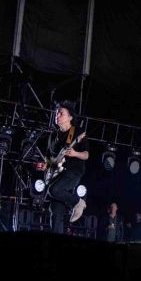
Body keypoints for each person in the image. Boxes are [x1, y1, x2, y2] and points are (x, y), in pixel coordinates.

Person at [47, 100, 89, 234]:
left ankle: (78, 202)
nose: (57, 115)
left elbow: (86, 155)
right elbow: (51, 157)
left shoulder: (77, 132)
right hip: (57, 174)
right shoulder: (53, 136)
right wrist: (46, 167)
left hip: (73, 171)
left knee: (54, 190)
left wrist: (75, 153)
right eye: (56, 113)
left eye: (61, 113)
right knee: (56, 213)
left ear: (70, 117)